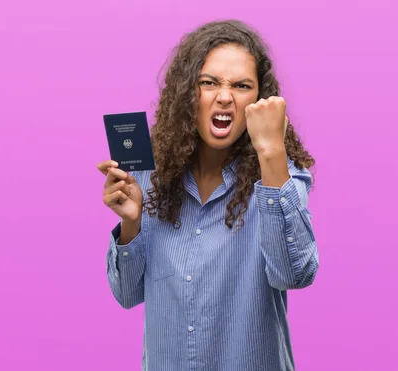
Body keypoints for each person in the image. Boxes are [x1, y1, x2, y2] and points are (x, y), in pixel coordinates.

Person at [97, 20, 319, 371]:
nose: (225, 96)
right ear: (188, 93)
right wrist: (131, 221)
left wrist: (271, 151)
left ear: (259, 100)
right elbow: (127, 295)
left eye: (242, 85)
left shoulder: (281, 174)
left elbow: (294, 275)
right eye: (209, 82)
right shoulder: (150, 174)